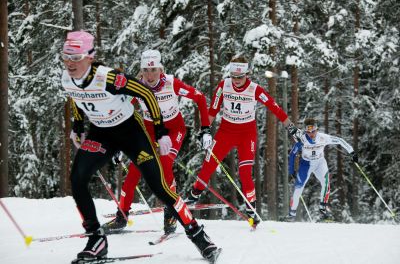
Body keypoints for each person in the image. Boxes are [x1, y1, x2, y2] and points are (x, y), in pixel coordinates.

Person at [61, 31, 219, 262]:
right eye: (66, 57)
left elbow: (147, 94)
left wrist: (161, 131)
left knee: (160, 186)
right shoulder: (66, 78)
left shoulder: (109, 77)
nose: (70, 63)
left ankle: (198, 235)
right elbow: (76, 97)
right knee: (77, 178)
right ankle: (96, 239)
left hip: (131, 133)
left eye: (76, 58)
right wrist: (77, 127)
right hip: (101, 133)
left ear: (90, 57)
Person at [102, 49, 212, 235]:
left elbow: (200, 98)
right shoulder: (135, 87)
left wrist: (205, 130)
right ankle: (122, 216)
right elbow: (120, 113)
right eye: (146, 70)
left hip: (174, 130)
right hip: (149, 131)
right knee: (133, 173)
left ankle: (171, 212)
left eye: (154, 70)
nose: (150, 75)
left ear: (160, 69)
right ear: (141, 70)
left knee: (165, 164)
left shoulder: (171, 83)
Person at [185, 56, 303, 227]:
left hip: (246, 134)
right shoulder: (224, 86)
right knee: (208, 164)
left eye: (240, 77)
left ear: (247, 74)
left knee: (245, 173)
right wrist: (204, 130)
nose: (236, 80)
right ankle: (192, 196)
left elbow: (274, 106)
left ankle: (251, 209)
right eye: (233, 76)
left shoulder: (255, 89)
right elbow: (213, 110)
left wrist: (290, 126)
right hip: (226, 131)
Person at [285, 118, 358, 221]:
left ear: (317, 129)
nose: (311, 133)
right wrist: (291, 171)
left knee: (326, 182)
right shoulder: (302, 139)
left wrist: (352, 152)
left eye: (313, 130)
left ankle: (323, 207)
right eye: (308, 131)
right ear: (305, 131)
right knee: (298, 188)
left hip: (320, 162)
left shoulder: (323, 138)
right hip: (306, 164)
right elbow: (292, 154)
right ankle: (291, 214)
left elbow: (340, 141)